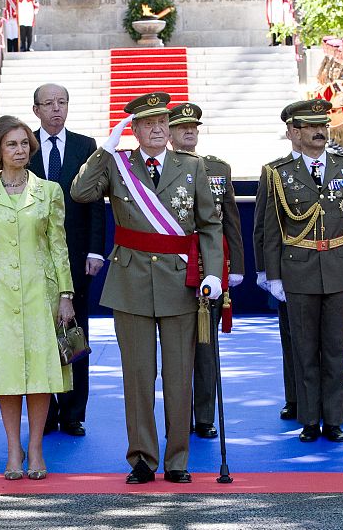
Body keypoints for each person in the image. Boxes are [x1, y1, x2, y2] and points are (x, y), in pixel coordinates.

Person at [70, 92, 224, 484]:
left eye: (162, 123)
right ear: (134, 130)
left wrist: (213, 273)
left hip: (180, 281)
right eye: (148, 123)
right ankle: (142, 458)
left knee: (178, 376)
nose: (157, 129)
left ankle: (177, 459)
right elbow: (81, 192)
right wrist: (104, 150)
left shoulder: (192, 167)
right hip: (131, 281)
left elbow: (209, 224)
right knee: (138, 376)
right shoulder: (117, 165)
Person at [0, 115, 75, 480]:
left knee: (41, 373)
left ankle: (37, 447)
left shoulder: (50, 191)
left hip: (40, 292)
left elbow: (58, 246)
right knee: (8, 375)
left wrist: (65, 295)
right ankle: (14, 448)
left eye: (24, 143)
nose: (20, 150)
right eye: (11, 144)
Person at [263, 99, 343, 443]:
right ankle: (310, 419)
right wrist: (273, 275)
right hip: (298, 270)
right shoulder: (278, 172)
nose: (319, 132)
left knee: (334, 349)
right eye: (311, 127)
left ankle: (334, 420)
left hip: (339, 269)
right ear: (295, 132)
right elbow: (271, 229)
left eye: (323, 126)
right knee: (304, 349)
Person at [28, 83, 105, 437]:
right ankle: (45, 413)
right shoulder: (23, 144)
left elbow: (95, 201)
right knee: (38, 335)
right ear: (36, 110)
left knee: (74, 332)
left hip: (75, 256)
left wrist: (95, 250)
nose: (56, 109)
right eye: (48, 103)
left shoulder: (85, 146)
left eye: (62, 102)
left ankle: (74, 413)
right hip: (32, 257)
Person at [167, 102, 244, 439]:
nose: (189, 131)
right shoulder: (160, 167)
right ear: (168, 133)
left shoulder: (217, 168)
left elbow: (230, 222)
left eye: (193, 127)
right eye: (182, 127)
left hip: (209, 267)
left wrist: (235, 265)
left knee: (206, 346)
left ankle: (204, 416)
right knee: (175, 350)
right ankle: (178, 417)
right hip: (172, 266)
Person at [253, 103, 303, 420]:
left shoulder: (338, 167)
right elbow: (263, 225)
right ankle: (295, 397)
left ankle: (330, 398)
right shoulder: (274, 170)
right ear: (289, 133)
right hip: (291, 266)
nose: (305, 133)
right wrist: (265, 270)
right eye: (297, 128)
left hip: (327, 265)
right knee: (292, 336)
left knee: (329, 340)